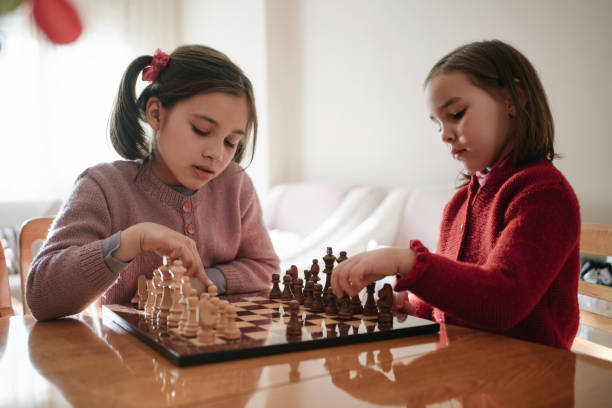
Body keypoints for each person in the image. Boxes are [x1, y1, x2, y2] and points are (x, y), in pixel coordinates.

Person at [332, 40, 580, 349]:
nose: (445, 135)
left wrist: (406, 262)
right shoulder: (459, 204)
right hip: (467, 374)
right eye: (437, 124)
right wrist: (410, 303)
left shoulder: (543, 194)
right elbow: (456, 301)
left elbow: (502, 301)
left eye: (456, 113)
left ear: (513, 99)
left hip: (529, 380)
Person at [27, 46, 280, 320]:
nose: (217, 154)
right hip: (122, 355)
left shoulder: (235, 185)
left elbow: (267, 268)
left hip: (213, 351)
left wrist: (204, 280)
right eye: (202, 130)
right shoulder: (102, 186)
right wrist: (132, 240)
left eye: (231, 141)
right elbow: (41, 296)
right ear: (156, 114)